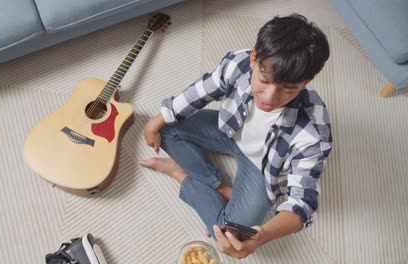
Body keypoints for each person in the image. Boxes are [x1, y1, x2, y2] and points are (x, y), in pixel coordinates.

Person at [139, 14, 332, 259]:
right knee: (166, 126)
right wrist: (154, 123)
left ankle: (179, 174)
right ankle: (219, 186)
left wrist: (259, 236)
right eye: (263, 80)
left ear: (306, 82)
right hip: (229, 131)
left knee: (234, 235)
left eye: (288, 89)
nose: (270, 98)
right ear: (253, 58)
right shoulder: (238, 63)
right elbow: (202, 90)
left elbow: (302, 204)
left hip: (263, 169)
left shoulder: (315, 131)